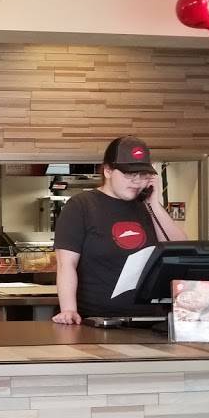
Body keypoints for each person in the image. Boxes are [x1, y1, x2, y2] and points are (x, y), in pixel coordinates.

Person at [52, 136, 187, 324]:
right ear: (107, 171)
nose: (136, 181)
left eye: (142, 175)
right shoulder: (81, 206)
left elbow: (181, 249)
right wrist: (69, 310)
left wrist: (154, 204)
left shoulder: (147, 207)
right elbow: (66, 264)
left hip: (150, 319)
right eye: (129, 174)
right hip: (98, 320)